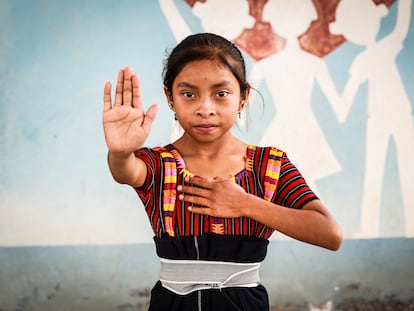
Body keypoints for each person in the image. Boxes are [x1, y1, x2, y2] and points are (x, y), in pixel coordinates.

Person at [102, 33, 342, 311]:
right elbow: (126, 171)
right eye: (188, 94)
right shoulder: (159, 163)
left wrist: (245, 204)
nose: (206, 109)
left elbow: (330, 234)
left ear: (243, 97)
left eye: (221, 94)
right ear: (170, 97)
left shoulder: (268, 166)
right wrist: (120, 152)